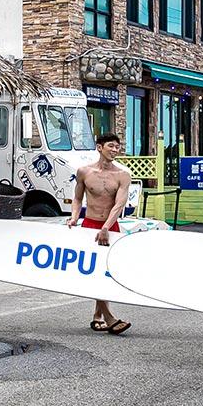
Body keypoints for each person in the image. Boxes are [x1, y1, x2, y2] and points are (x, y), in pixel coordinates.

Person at [73, 132, 133, 336]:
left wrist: (106, 227)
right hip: (89, 224)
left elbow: (119, 204)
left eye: (117, 146)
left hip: (110, 228)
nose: (115, 150)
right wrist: (74, 217)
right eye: (111, 146)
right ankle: (107, 318)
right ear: (100, 147)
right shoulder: (84, 172)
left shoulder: (123, 175)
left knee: (106, 272)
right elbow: (77, 198)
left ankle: (101, 316)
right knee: (95, 271)